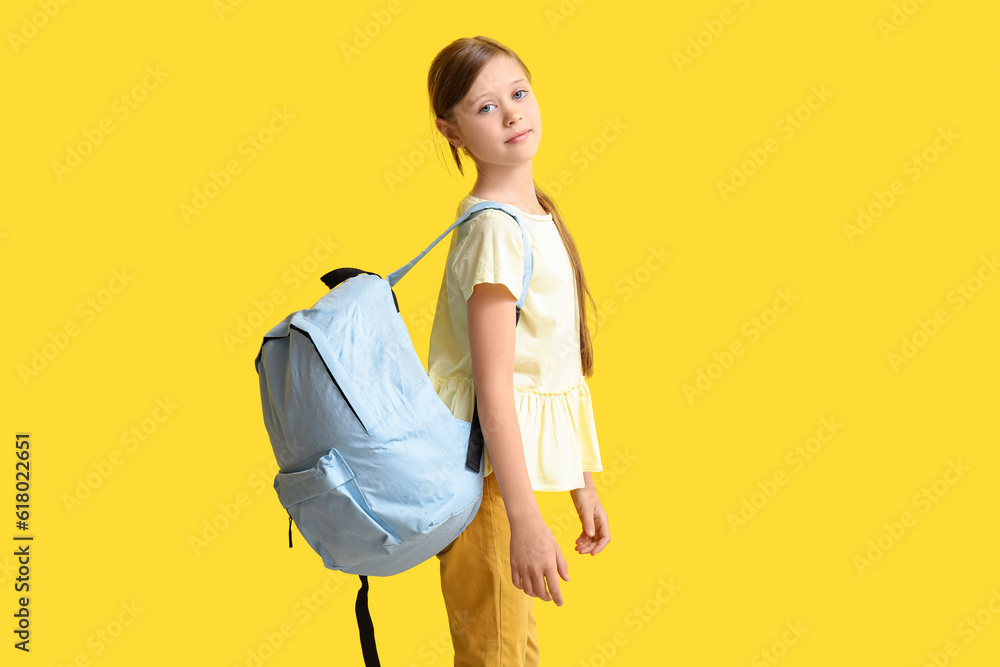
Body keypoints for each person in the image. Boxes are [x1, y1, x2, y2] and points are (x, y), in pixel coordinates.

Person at [426, 35, 611, 666]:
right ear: (450, 131)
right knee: (497, 653)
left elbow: (550, 367)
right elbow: (494, 389)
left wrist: (581, 482)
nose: (511, 114)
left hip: (514, 483)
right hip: (487, 485)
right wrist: (527, 523)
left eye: (519, 93)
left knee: (513, 652)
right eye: (484, 108)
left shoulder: (537, 217)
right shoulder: (495, 232)